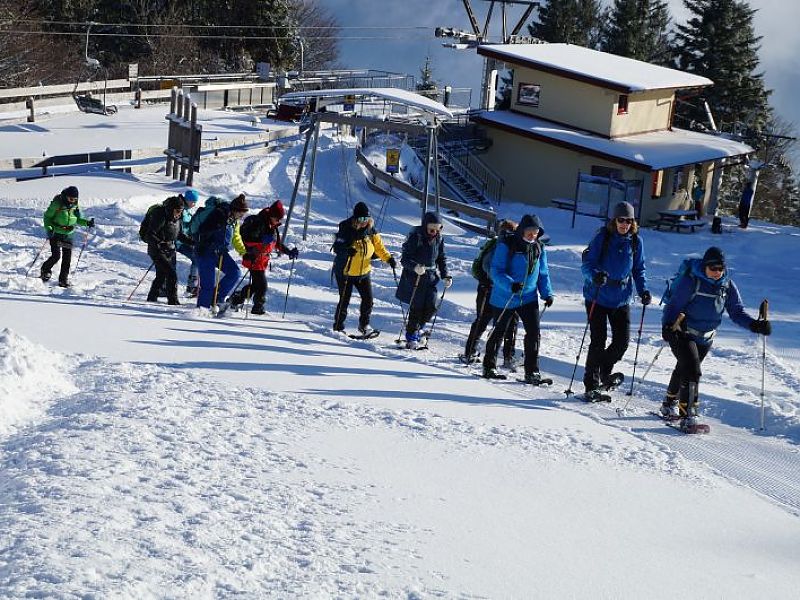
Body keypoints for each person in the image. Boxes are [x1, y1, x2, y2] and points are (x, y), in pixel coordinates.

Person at [661, 246, 772, 431]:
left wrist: (755, 325)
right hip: (683, 332)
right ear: (705, 266)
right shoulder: (691, 281)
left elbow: (736, 312)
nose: (716, 272)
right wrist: (666, 326)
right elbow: (674, 305)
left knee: (684, 368)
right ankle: (688, 416)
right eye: (713, 268)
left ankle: (668, 403)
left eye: (720, 268)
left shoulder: (727, 285)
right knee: (692, 371)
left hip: (706, 337)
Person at [580, 201, 650, 399]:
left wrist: (643, 290)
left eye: (629, 220)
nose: (625, 224)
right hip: (598, 295)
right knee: (598, 341)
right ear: (614, 220)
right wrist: (594, 275)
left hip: (621, 298)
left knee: (622, 342)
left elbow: (639, 269)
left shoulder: (636, 242)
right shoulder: (602, 237)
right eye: (621, 220)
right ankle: (591, 385)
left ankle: (604, 369)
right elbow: (587, 263)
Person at [482, 214, 554, 383]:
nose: (532, 235)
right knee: (499, 331)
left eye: (536, 232)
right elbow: (496, 270)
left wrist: (547, 293)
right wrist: (510, 284)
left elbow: (543, 274)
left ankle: (532, 371)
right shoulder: (507, 245)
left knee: (534, 333)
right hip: (505, 296)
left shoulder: (539, 248)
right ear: (522, 230)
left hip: (528, 298)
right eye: (529, 231)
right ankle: (489, 366)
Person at [332, 201, 396, 336]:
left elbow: (379, 248)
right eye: (361, 219)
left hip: (363, 273)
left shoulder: (371, 231)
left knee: (368, 301)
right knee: (344, 300)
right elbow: (338, 247)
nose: (364, 222)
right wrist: (347, 250)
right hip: (346, 272)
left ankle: (364, 325)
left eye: (366, 219)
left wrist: (388, 258)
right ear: (355, 219)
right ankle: (338, 327)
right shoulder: (346, 229)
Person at [463, 219, 519, 369]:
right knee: (486, 319)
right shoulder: (497, 245)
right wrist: (497, 281)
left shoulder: (510, 246)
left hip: (502, 289)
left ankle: (506, 355)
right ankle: (472, 352)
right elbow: (486, 265)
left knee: (504, 322)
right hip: (490, 287)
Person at [396, 211, 451, 349]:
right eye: (431, 229)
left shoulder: (439, 238)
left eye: (437, 229)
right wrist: (415, 267)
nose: (434, 232)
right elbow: (405, 259)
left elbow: (441, 258)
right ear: (425, 226)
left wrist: (445, 275)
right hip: (416, 277)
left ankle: (418, 329)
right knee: (417, 307)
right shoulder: (416, 237)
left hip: (431, 277)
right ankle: (411, 337)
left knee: (432, 306)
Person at [237, 199, 298, 315]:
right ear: (272, 215)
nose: (278, 221)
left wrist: (289, 252)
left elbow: (276, 243)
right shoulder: (260, 223)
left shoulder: (272, 225)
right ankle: (257, 307)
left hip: (261, 260)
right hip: (253, 257)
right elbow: (248, 239)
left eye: (280, 219)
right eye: (277, 218)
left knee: (256, 285)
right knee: (262, 285)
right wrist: (261, 240)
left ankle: (237, 299)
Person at [195, 193, 248, 310]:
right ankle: (202, 311)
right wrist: (216, 232)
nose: (242, 215)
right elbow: (203, 230)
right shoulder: (219, 214)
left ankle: (217, 298)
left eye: (244, 213)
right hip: (205, 251)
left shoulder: (234, 221)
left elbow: (236, 237)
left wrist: (244, 252)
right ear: (235, 210)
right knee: (208, 284)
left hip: (220, 252)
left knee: (235, 272)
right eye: (241, 213)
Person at [40, 185, 95, 287]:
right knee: (56, 256)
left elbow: (78, 219)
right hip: (56, 233)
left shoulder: (75, 206)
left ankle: (63, 279)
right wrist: (49, 229)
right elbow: (47, 216)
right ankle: (45, 269)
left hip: (68, 235)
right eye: (70, 199)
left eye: (75, 199)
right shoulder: (57, 204)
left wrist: (87, 223)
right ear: (66, 197)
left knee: (67, 258)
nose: (72, 201)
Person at [144, 195, 188, 305]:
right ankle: (173, 301)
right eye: (177, 210)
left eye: (181, 211)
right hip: (156, 250)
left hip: (170, 249)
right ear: (171, 208)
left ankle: (152, 297)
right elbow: (150, 234)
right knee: (171, 274)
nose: (179, 213)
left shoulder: (177, 219)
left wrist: (193, 243)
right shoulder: (160, 216)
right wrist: (159, 243)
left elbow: (179, 235)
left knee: (162, 275)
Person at [176, 189, 200, 297]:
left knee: (197, 258)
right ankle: (192, 287)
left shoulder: (186, 210)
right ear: (187, 200)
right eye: (192, 202)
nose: (194, 204)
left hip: (183, 240)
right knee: (196, 258)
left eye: (195, 202)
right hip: (177, 241)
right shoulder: (180, 209)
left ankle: (192, 287)